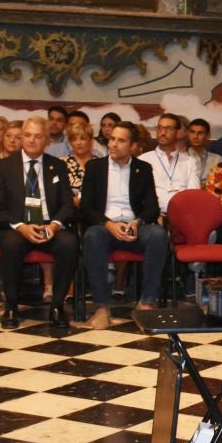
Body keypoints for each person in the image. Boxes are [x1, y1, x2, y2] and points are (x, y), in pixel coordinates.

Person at [0, 117, 78, 335]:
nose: (31, 140)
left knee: (70, 243)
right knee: (10, 245)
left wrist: (55, 226)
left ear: (47, 140)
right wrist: (21, 226)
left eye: (38, 136)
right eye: (27, 135)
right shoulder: (3, 167)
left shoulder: (57, 166)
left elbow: (68, 204)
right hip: (17, 227)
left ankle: (57, 306)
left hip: (49, 226)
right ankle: (11, 305)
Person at [80, 122, 170, 328]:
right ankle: (102, 307)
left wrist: (137, 223)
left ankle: (146, 302)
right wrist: (108, 224)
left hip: (133, 227)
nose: (113, 144)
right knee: (92, 235)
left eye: (121, 140)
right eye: (112, 139)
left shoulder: (143, 169)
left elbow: (153, 208)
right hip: (106, 227)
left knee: (157, 234)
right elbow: (86, 208)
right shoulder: (95, 168)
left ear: (133, 146)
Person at [145, 113, 203, 211]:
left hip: (183, 214)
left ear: (177, 132)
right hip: (154, 215)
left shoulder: (190, 162)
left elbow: (193, 194)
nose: (163, 132)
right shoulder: (144, 159)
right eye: (160, 128)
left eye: (169, 129)